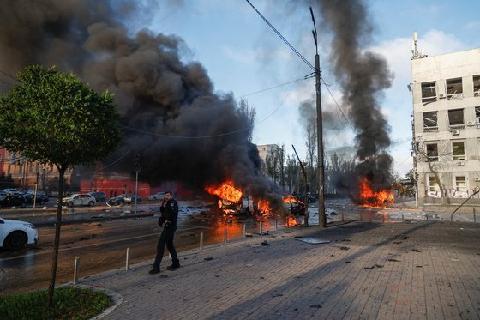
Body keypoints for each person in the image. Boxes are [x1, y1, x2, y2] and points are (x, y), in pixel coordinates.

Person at [149, 191, 180, 274]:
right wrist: (161, 220)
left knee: (160, 246)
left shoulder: (173, 203)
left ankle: (156, 268)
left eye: (168, 195)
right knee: (170, 245)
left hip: (170, 227)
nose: (166, 197)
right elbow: (163, 213)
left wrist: (166, 219)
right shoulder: (166, 203)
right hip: (167, 227)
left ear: (171, 196)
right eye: (165, 195)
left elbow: (172, 213)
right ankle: (175, 263)